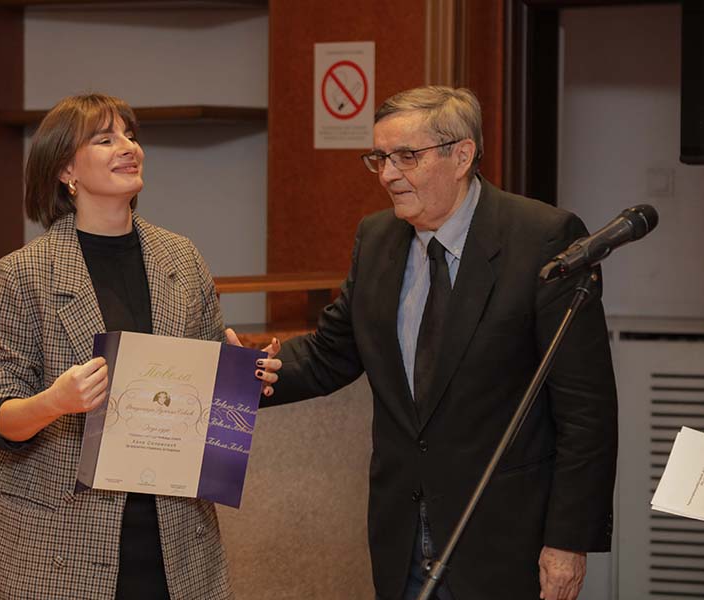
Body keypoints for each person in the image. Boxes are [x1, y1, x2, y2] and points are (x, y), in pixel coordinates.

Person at [258, 86, 618, 600]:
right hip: (402, 533)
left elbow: (586, 410)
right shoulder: (376, 238)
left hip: (503, 534)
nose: (387, 174)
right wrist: (243, 371)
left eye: (406, 156)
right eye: (379, 158)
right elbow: (330, 353)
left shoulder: (542, 238)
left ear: (462, 156)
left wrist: (568, 540)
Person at [0, 93, 278, 600]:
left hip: (175, 533)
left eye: (130, 136)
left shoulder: (182, 258)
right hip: (63, 541)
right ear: (66, 169)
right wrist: (55, 401)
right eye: (105, 139)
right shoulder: (23, 273)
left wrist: (241, 378)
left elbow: (211, 413)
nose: (128, 147)